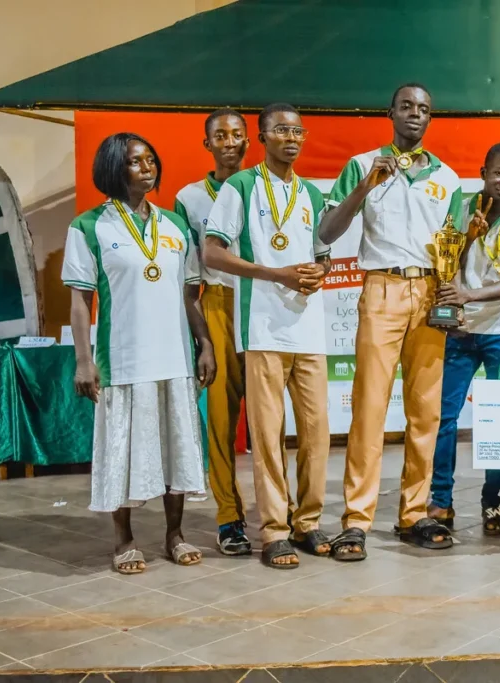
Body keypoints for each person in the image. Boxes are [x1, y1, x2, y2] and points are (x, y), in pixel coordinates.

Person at [319, 84, 463, 559]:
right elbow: (327, 230)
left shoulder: (449, 179)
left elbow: (455, 247)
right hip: (381, 288)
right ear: (390, 113)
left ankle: (414, 513)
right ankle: (356, 520)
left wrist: (450, 293)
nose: (416, 114)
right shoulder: (362, 165)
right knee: (369, 409)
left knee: (426, 411)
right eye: (407, 106)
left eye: (424, 108)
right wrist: (366, 187)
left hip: (430, 293)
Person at [62, 133, 214, 574]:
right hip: (123, 360)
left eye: (151, 159)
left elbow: (191, 297)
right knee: (122, 449)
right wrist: (84, 359)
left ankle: (175, 535)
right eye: (135, 162)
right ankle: (124, 538)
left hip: (174, 359)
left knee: (176, 447)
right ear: (113, 168)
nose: (147, 167)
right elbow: (79, 301)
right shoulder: (89, 227)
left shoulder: (175, 226)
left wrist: (203, 344)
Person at [204, 103, 332, 570]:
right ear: (262, 137)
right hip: (262, 330)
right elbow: (212, 252)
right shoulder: (241, 186)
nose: (292, 137)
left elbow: (325, 255)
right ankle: (275, 530)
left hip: (310, 331)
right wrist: (273, 273)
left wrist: (319, 271)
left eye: (298, 131)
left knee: (317, 434)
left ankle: (308, 523)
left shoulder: (312, 194)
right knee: (268, 435)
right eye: (281, 130)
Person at [430, 142, 500, 536]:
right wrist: (466, 240)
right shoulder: (459, 207)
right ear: (482, 172)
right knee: (443, 418)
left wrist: (468, 296)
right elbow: (446, 263)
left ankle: (493, 500)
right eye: (499, 173)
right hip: (459, 330)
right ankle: (439, 499)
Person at [174, 108, 254, 556]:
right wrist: (203, 340)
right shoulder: (190, 197)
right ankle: (229, 517)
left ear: (249, 141)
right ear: (207, 144)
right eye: (220, 135)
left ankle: (282, 514)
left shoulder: (264, 184)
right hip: (220, 306)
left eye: (237, 134)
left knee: (269, 420)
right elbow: (190, 282)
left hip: (264, 304)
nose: (229, 141)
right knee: (221, 423)